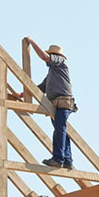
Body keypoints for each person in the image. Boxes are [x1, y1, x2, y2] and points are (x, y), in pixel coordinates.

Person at [23, 40, 77, 170]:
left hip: (63, 102)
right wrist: (23, 94)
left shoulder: (60, 61)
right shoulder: (53, 72)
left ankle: (58, 159)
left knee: (60, 130)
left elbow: (44, 57)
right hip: (56, 104)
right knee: (62, 130)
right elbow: (41, 88)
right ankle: (67, 160)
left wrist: (32, 42)